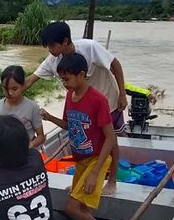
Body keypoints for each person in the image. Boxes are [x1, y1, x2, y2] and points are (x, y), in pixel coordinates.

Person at [24, 22, 127, 195]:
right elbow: (30, 80)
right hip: (83, 106)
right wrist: (9, 94)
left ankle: (112, 180)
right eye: (47, 46)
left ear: (65, 42)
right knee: (85, 142)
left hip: (106, 99)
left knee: (111, 140)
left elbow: (115, 65)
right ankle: (82, 178)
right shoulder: (53, 61)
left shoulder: (90, 47)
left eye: (52, 45)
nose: (50, 50)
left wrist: (122, 93)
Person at [41, 53, 116, 220]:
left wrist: (95, 173)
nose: (64, 84)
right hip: (81, 160)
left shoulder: (98, 100)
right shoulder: (70, 96)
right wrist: (49, 117)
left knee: (71, 208)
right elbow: (68, 125)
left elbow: (110, 137)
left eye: (67, 79)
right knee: (81, 207)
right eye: (62, 80)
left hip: (96, 160)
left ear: (82, 74)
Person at [0, 65, 45, 149]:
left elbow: (41, 137)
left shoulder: (32, 107)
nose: (10, 93)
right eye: (6, 88)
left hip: (26, 154)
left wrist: (28, 146)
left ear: (23, 85)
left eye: (14, 89)